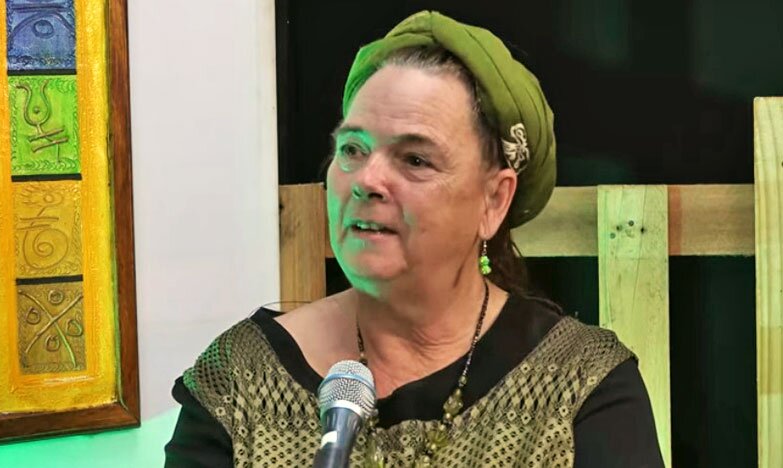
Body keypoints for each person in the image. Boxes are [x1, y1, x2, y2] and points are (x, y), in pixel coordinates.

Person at [165, 10, 663, 467]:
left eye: (415, 159)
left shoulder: (579, 386)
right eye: (353, 149)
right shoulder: (240, 382)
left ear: (493, 201)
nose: (367, 180)